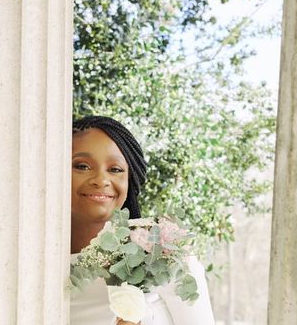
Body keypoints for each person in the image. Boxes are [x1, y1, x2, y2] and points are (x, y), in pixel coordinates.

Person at [70, 116, 215, 325]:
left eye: (115, 169)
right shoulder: (34, 263)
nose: (101, 180)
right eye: (82, 166)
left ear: (130, 179)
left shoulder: (161, 252)